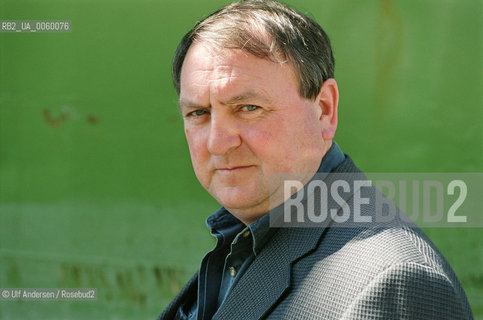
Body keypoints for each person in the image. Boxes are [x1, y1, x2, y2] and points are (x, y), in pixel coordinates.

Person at [159, 1, 473, 319]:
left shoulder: (397, 282)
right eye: (199, 113)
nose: (218, 142)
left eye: (248, 107)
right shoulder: (241, 243)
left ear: (324, 110)